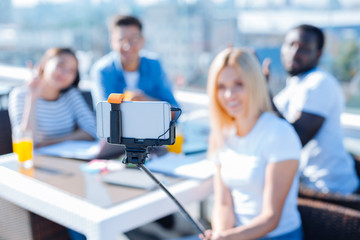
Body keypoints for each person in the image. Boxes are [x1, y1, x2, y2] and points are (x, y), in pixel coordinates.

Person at [201, 48, 302, 240]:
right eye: (221, 86)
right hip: (237, 234)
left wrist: (228, 237)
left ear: (254, 84)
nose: (229, 94)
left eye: (239, 84)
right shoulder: (223, 134)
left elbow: (271, 218)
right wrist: (222, 234)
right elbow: (223, 204)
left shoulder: (279, 133)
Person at [273, 24, 359, 195]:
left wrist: (261, 90)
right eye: (290, 44)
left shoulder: (320, 82)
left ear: (318, 55)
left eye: (304, 48)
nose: (295, 52)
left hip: (331, 190)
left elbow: (296, 139)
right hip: (305, 186)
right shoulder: (290, 89)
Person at [8, 48, 97, 148]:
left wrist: (51, 142)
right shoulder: (20, 95)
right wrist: (32, 99)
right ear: (44, 64)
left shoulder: (71, 95)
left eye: (72, 71)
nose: (65, 73)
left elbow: (92, 130)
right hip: (35, 160)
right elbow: (24, 141)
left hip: (64, 158)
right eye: (60, 65)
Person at [91, 15, 178, 108]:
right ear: (112, 42)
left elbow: (174, 110)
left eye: (133, 39)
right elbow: (104, 113)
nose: (127, 46)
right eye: (121, 40)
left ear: (142, 40)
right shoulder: (103, 70)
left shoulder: (154, 65)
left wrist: (145, 101)